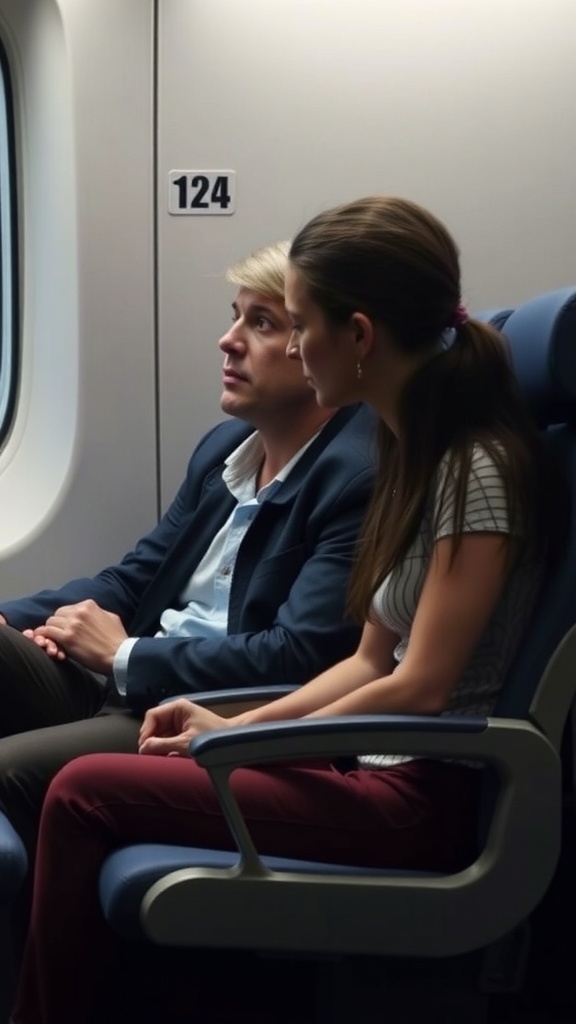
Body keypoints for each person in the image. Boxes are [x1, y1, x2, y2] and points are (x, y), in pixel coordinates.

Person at [10, 197, 560, 1024]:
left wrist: (245, 734)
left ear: (361, 337)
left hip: (416, 796)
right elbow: (366, 661)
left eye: (296, 325)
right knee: (103, 778)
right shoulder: (414, 458)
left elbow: (419, 685)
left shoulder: (474, 471)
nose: (297, 350)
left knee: (85, 789)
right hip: (361, 762)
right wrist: (229, 727)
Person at [0, 239, 376, 866]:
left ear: (320, 345)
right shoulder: (225, 450)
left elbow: (299, 655)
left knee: (7, 771)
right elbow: (133, 579)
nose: (228, 341)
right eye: (235, 316)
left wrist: (125, 653)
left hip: (199, 711)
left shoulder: (355, 476)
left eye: (261, 323)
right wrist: (16, 621)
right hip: (126, 682)